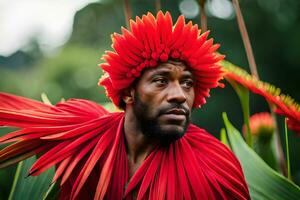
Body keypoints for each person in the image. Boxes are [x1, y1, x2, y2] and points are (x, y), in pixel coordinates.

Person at [0, 11, 250, 199]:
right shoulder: (82, 131)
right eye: (161, 81)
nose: (180, 95)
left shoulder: (216, 167)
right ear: (129, 92)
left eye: (187, 83)